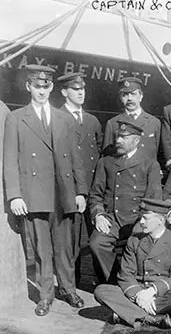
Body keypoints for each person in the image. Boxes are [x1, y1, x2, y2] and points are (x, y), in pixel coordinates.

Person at [4, 65, 88, 316]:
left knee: (64, 247)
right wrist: (15, 195)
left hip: (62, 193)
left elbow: (75, 157)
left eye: (46, 86)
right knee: (41, 249)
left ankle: (69, 289)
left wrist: (80, 191)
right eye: (37, 86)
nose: (42, 91)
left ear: (52, 87)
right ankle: (45, 295)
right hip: (34, 193)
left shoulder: (64, 118)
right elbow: (10, 159)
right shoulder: (16, 118)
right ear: (28, 86)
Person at [94, 198, 171, 329]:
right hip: (137, 289)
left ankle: (126, 312)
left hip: (160, 292)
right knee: (101, 291)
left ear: (160, 221)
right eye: (141, 218)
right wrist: (139, 294)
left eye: (146, 218)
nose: (141, 222)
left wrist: (152, 291)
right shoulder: (134, 240)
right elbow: (125, 274)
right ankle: (149, 318)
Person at [89, 120, 162, 283]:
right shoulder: (105, 162)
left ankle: (134, 283)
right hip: (111, 219)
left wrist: (144, 222)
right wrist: (99, 214)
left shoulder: (149, 164)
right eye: (118, 137)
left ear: (136, 140)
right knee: (97, 243)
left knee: (140, 246)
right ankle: (112, 283)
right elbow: (95, 195)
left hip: (138, 219)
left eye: (124, 137)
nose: (118, 141)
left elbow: (154, 199)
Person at [56, 72, 103, 283]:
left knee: (97, 236)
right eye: (75, 89)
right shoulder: (57, 118)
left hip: (93, 189)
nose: (81, 93)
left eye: (82, 89)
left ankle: (99, 282)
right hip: (70, 189)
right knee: (71, 239)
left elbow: (100, 153)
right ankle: (71, 283)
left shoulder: (92, 121)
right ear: (65, 92)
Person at [103, 77, 161, 160]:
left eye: (133, 94)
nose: (130, 98)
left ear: (141, 96)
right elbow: (107, 158)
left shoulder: (154, 123)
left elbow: (157, 155)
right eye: (125, 95)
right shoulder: (113, 123)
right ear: (121, 98)